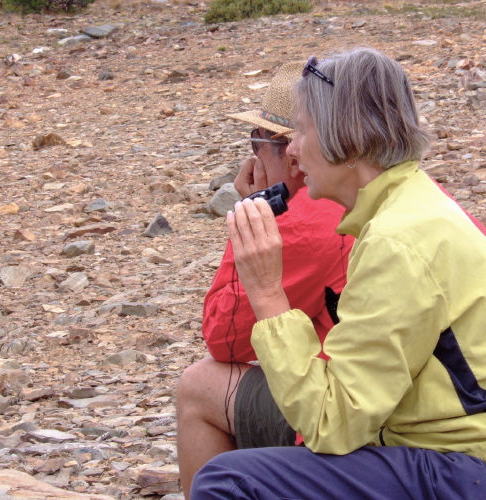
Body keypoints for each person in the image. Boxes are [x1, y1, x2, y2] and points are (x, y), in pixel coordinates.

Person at [190, 47, 486, 499]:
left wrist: (266, 291)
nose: (293, 149)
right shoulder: (407, 207)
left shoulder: (397, 239)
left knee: (228, 481)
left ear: (346, 138)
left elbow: (331, 423)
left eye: (302, 130)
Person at [176, 62, 352, 498]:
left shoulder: (305, 220)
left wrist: (253, 213)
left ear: (291, 150)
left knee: (198, 386)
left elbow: (223, 337)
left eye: (258, 142)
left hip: (356, 425)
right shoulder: (369, 194)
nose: (253, 157)